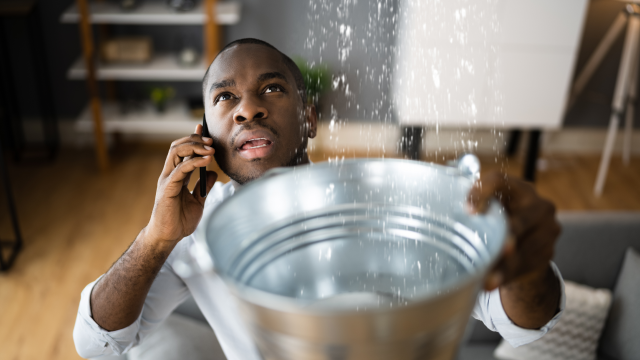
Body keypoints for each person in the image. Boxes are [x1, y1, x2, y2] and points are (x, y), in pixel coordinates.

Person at [73, 38, 565, 359]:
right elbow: (94, 344)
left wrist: (526, 263)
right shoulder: (195, 234)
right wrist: (156, 238)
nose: (248, 108)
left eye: (272, 88)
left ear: (309, 120)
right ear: (205, 135)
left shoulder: (379, 205)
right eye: (225, 97)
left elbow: (525, 326)